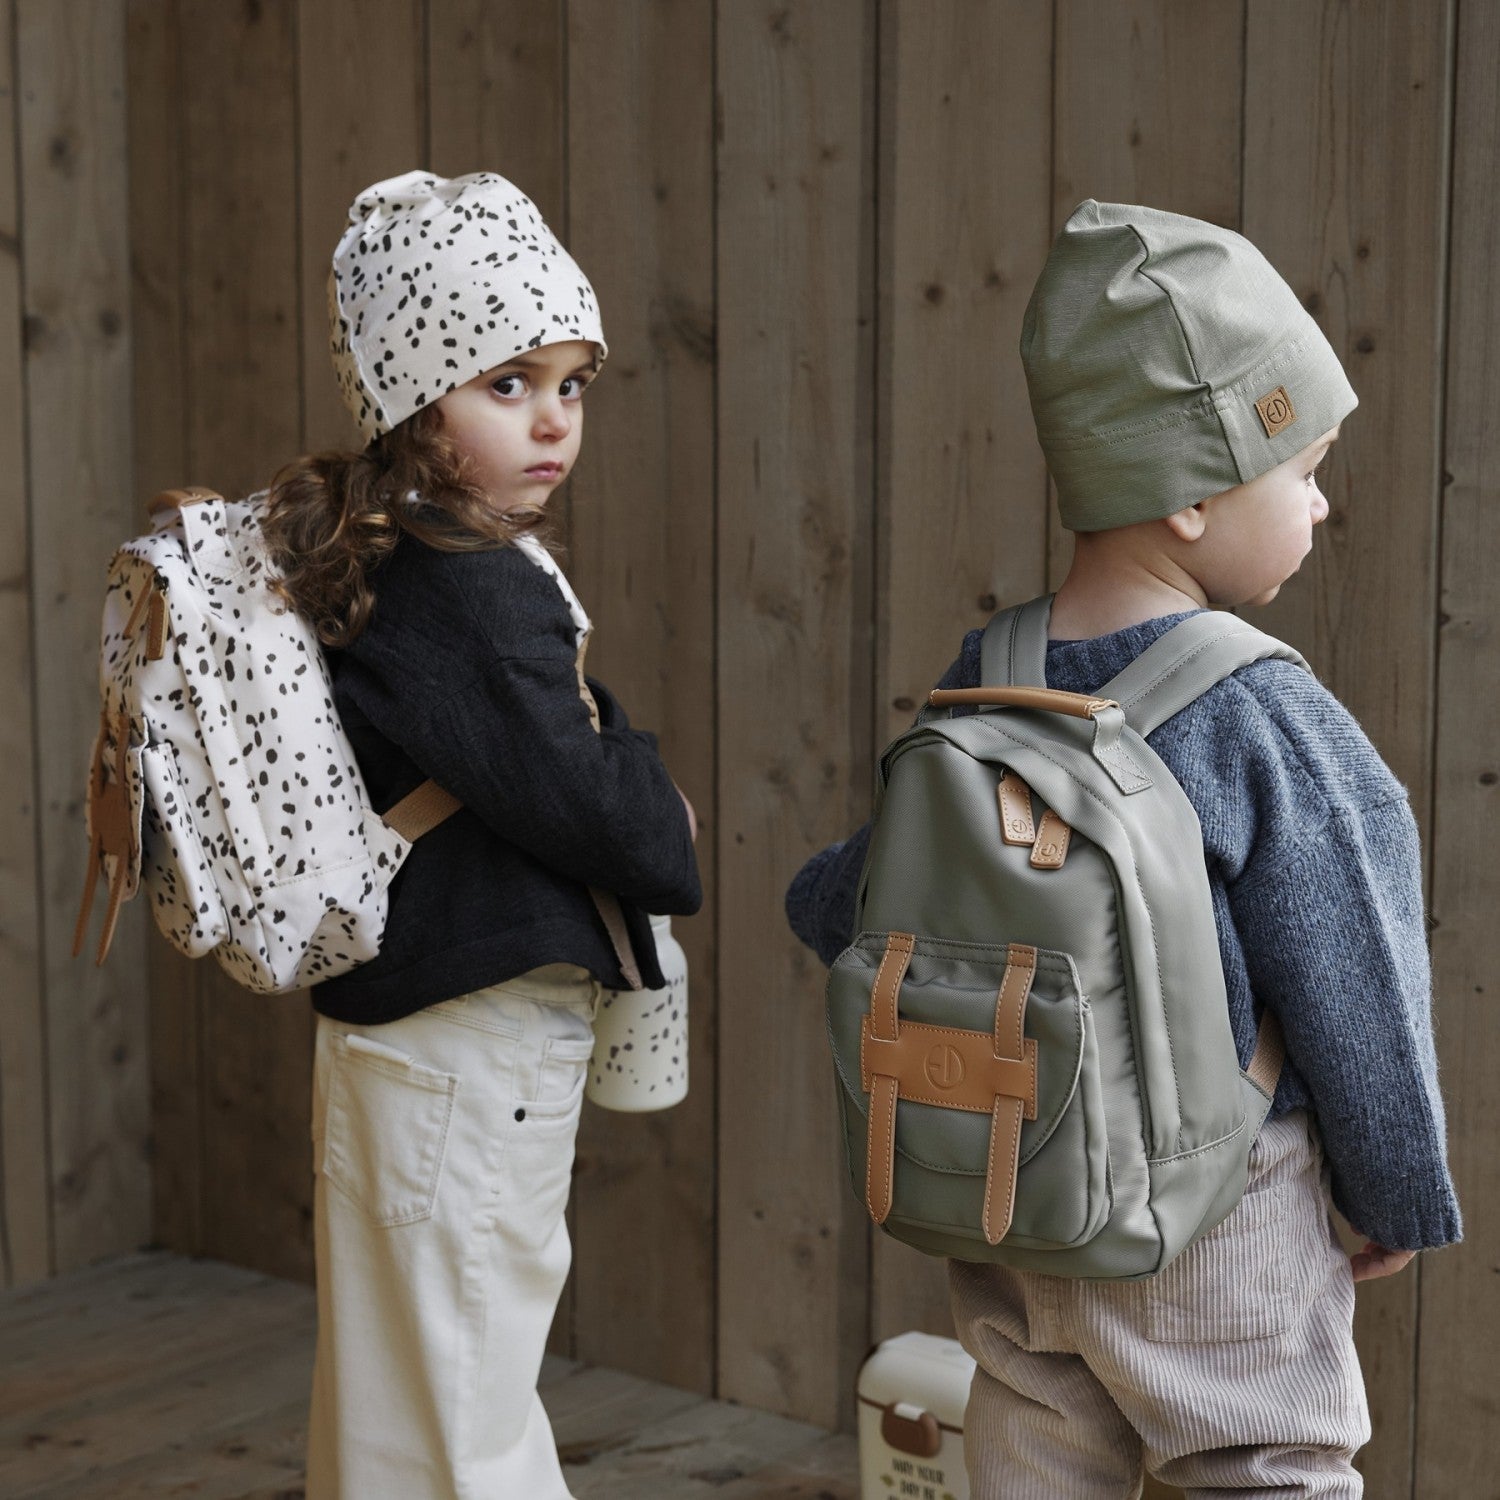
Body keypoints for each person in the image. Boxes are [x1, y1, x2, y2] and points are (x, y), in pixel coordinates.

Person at [786, 201, 1460, 1497]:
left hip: (1011, 1198)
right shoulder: (1263, 715)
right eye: (1304, 471)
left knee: (1033, 1449)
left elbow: (847, 899)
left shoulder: (990, 678)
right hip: (1215, 1216)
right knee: (1264, 1463)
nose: (1322, 506)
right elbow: (1357, 982)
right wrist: (1393, 1196)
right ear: (1196, 494)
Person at [262, 170, 702, 1500]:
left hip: (398, 1034)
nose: (554, 420)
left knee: (396, 1407)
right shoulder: (471, 584)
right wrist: (651, 785)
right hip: (473, 1039)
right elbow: (606, 816)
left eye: (571, 384)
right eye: (506, 383)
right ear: (413, 394)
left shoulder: (370, 549)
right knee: (467, 1413)